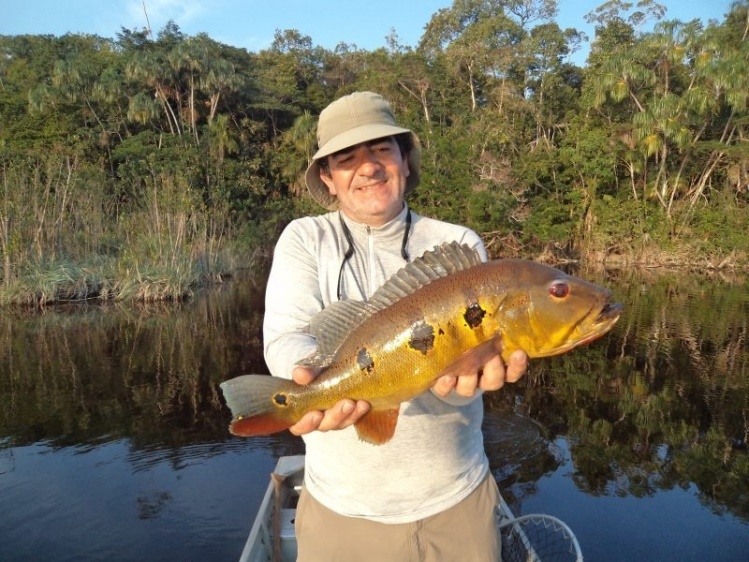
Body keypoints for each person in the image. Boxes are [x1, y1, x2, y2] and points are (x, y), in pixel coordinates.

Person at [263, 91, 528, 562]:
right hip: (343, 513)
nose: (368, 167)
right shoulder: (305, 238)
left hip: (456, 503)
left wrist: (466, 381)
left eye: (382, 150)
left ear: (405, 162)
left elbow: (472, 360)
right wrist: (307, 379)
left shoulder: (458, 244)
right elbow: (287, 336)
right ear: (327, 178)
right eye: (346, 159)